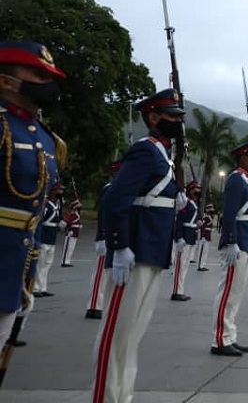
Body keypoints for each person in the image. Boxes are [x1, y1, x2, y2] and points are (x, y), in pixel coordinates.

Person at [92, 88, 185, 402]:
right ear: (154, 117)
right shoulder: (145, 150)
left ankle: (123, 395)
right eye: (171, 116)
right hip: (135, 251)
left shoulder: (162, 154)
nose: (177, 121)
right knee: (117, 334)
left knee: (132, 336)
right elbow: (114, 199)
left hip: (153, 250)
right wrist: (119, 246)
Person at [0, 41, 64, 350]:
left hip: (18, 266)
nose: (47, 84)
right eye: (38, 75)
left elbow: (35, 208)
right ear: (5, 80)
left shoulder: (47, 138)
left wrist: (29, 270)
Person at [211, 140, 248, 356]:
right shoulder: (235, 180)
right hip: (237, 242)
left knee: (236, 293)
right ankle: (220, 339)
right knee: (228, 293)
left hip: (245, 240)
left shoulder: (246, 181)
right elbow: (229, 213)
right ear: (242, 157)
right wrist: (230, 240)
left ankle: (229, 335)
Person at [86, 160, 121, 320]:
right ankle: (94, 306)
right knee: (101, 272)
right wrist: (100, 236)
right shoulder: (110, 189)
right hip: (106, 235)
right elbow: (103, 214)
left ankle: (102, 304)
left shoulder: (122, 189)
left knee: (109, 273)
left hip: (117, 235)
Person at [170, 181, 201, 302]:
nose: (198, 191)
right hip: (184, 236)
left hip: (190, 236)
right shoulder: (185, 203)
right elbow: (179, 221)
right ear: (190, 190)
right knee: (180, 265)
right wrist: (179, 237)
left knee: (185, 265)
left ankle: (180, 290)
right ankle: (176, 291)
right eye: (196, 189)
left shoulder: (193, 203)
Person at [33, 181, 64, 297]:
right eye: (59, 190)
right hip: (44, 236)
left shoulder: (58, 204)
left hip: (52, 237)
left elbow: (58, 221)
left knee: (47, 263)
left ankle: (43, 287)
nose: (61, 192)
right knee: (40, 263)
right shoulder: (46, 205)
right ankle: (35, 288)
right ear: (53, 191)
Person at [61, 199, 82, 267]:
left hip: (75, 233)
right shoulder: (72, 214)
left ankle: (68, 260)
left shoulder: (77, 214)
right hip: (71, 232)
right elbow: (68, 222)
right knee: (68, 248)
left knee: (71, 248)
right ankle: (64, 261)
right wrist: (69, 230)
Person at [196, 203, 215, 271]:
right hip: (205, 236)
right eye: (210, 208)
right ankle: (200, 266)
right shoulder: (205, 217)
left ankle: (202, 265)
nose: (212, 209)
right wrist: (203, 236)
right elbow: (202, 227)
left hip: (207, 236)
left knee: (205, 251)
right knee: (203, 251)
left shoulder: (209, 217)